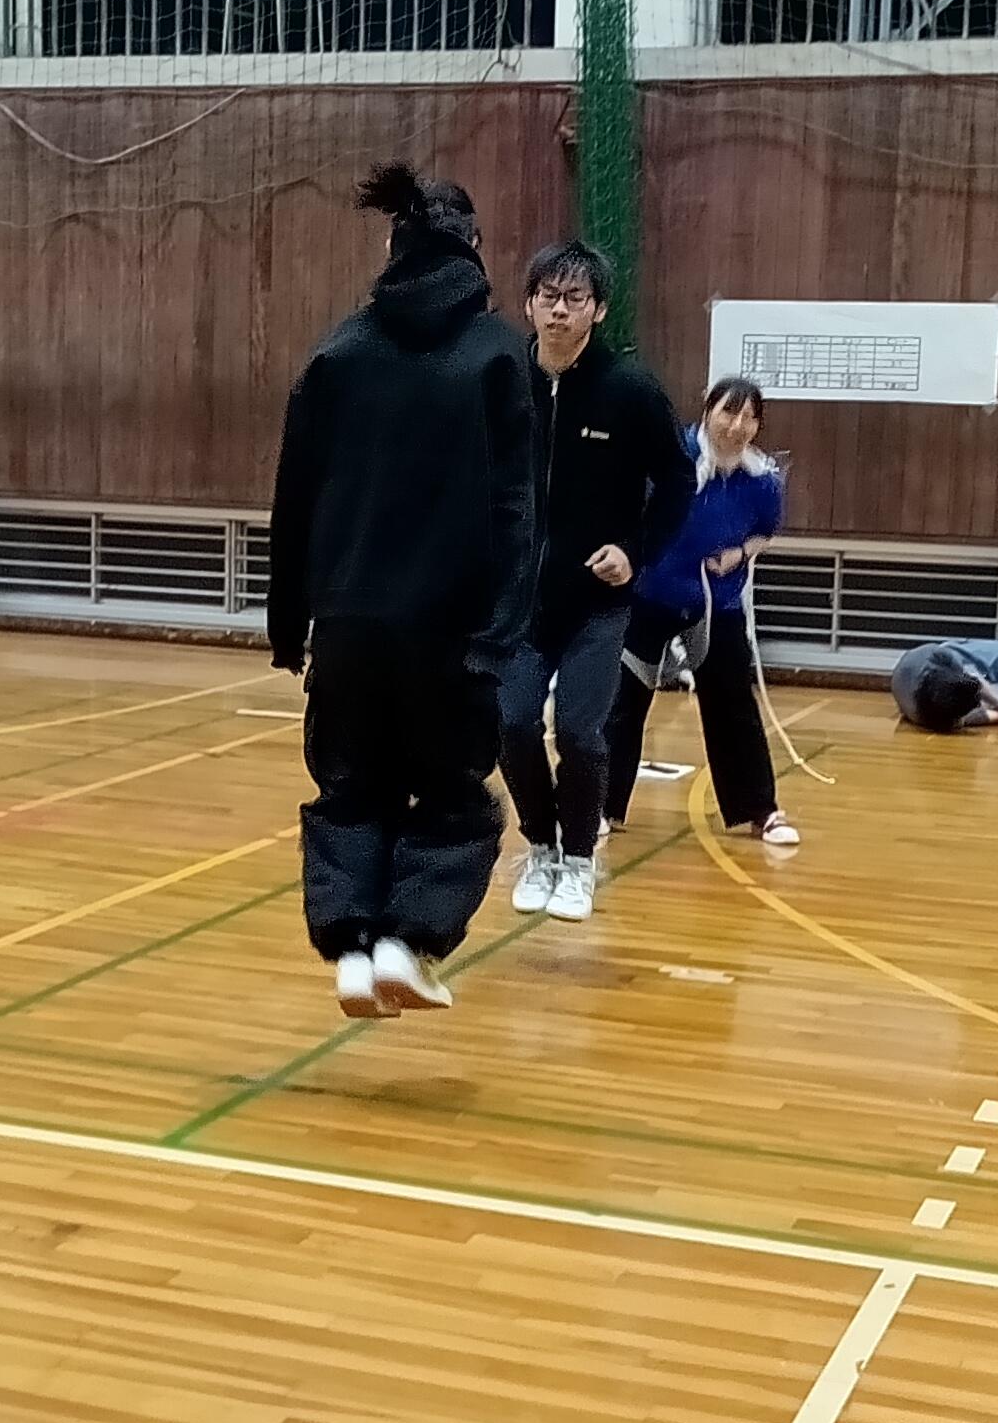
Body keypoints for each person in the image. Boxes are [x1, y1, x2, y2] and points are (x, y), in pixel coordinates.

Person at [268, 162, 535, 1017]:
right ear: (474, 248)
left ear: (392, 244)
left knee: (350, 787)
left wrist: (287, 624)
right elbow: (516, 509)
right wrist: (502, 630)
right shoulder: (499, 354)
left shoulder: (337, 351)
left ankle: (351, 951)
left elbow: (294, 495)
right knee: (454, 796)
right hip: (450, 628)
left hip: (347, 622)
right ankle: (405, 941)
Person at [500, 240, 693, 923]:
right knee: (512, 721)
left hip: (597, 603)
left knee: (581, 733)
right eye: (547, 296)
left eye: (574, 298)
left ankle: (579, 860)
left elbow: (677, 480)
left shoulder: (630, 389)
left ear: (598, 309)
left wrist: (635, 553)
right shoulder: (502, 381)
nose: (559, 310)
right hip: (518, 602)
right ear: (529, 304)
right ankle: (540, 848)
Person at [602, 376, 797, 846]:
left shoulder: (762, 481)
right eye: (729, 412)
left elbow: (766, 532)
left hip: (716, 602)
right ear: (708, 409)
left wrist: (739, 553)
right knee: (622, 703)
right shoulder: (672, 460)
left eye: (749, 417)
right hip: (649, 595)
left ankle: (761, 810)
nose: (737, 426)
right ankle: (600, 806)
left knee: (734, 705)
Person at [894, 638, 998, 733]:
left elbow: (973, 675)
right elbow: (980, 717)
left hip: (963, 656)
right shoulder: (931, 717)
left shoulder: (940, 658)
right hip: (952, 691)